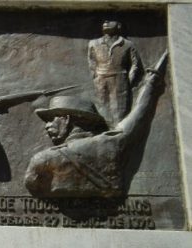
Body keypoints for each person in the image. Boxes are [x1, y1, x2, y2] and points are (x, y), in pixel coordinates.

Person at [25, 51, 167, 198]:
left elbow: (31, 183)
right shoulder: (111, 142)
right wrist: (150, 85)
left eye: (52, 118)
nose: (47, 125)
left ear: (66, 120)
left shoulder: (43, 160)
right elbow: (139, 115)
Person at [88, 20, 142, 127]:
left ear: (118, 25)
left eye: (110, 20)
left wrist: (128, 80)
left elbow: (135, 64)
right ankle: (103, 133)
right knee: (102, 107)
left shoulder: (127, 44)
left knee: (119, 110)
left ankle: (119, 133)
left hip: (120, 78)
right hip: (100, 79)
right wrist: (95, 77)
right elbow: (91, 61)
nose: (106, 22)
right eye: (104, 21)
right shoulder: (93, 43)